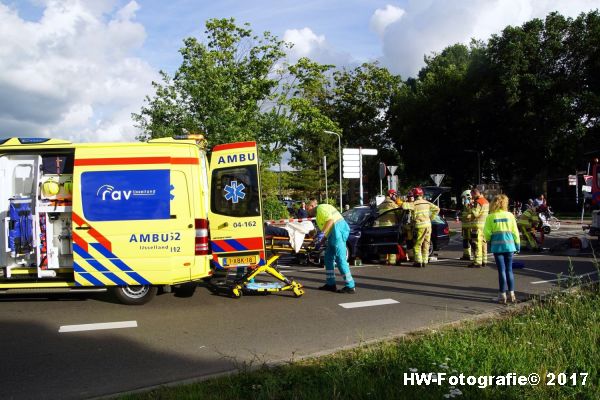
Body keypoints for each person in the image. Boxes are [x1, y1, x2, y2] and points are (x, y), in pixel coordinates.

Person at [306, 198, 355, 293]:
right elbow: (327, 231)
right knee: (328, 258)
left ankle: (350, 286)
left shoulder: (321, 208)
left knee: (340, 259)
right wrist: (319, 242)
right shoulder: (318, 215)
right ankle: (331, 284)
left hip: (338, 230)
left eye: (307, 208)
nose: (307, 212)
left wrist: (321, 234)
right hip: (333, 233)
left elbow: (330, 221)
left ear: (312, 206)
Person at [484, 194, 520, 304]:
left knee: (501, 271)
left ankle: (502, 295)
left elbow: (487, 233)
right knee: (509, 270)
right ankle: (512, 295)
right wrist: (517, 245)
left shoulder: (491, 216)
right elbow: (515, 231)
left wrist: (489, 239)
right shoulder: (510, 215)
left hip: (497, 246)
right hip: (510, 246)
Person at [411, 187, 440, 268]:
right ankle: (425, 261)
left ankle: (418, 261)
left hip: (419, 226)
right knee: (426, 243)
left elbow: (404, 207)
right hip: (428, 226)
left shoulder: (414, 204)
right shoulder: (426, 203)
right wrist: (431, 218)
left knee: (417, 244)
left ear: (414, 195)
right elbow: (437, 209)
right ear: (421, 194)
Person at [376, 189, 400, 264]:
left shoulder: (381, 204)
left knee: (382, 244)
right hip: (390, 227)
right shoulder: (392, 204)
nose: (395, 197)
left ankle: (382, 259)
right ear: (390, 195)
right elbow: (399, 213)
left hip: (381, 228)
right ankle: (392, 261)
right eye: (395, 195)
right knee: (391, 244)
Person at [467, 188, 489, 267]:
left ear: (475, 193)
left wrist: (471, 207)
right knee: (483, 243)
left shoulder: (478, 202)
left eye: (472, 195)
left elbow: (476, 214)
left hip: (477, 226)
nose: (471, 197)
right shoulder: (486, 201)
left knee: (476, 243)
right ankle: (484, 260)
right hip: (484, 225)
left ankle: (477, 261)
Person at [459, 189, 474, 261]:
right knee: (465, 241)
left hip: (470, 227)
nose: (463, 199)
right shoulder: (465, 205)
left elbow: (473, 214)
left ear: (467, 197)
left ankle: (476, 256)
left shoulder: (471, 204)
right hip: (465, 227)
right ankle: (466, 255)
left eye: (464, 198)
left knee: (472, 241)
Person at [401, 190, 416, 261]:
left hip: (416, 226)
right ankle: (411, 257)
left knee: (416, 242)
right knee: (409, 242)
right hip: (408, 227)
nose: (411, 198)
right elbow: (404, 207)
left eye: (412, 196)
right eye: (410, 197)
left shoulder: (416, 203)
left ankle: (416, 256)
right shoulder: (406, 203)